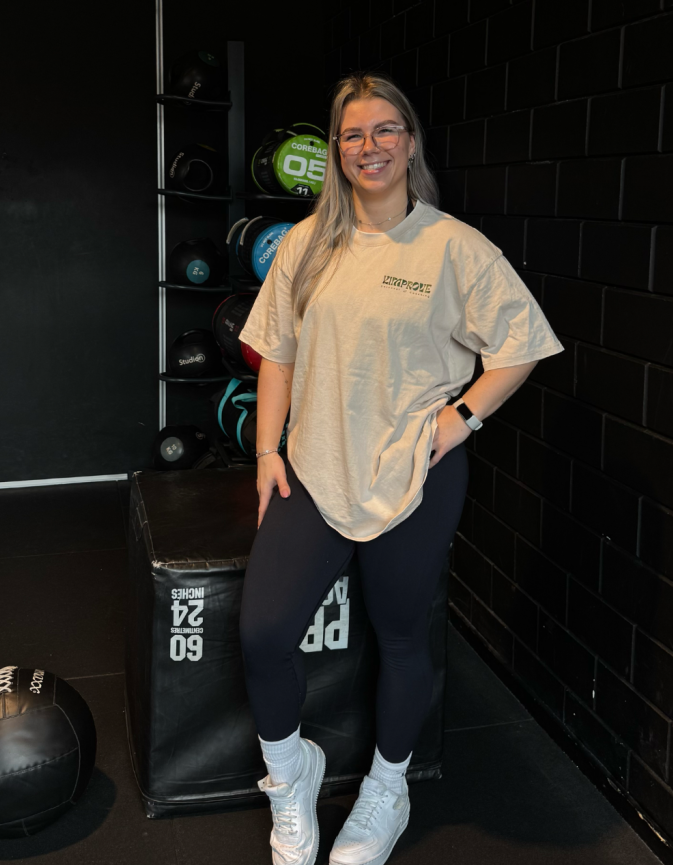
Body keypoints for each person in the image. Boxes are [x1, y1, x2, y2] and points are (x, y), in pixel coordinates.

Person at [237, 71, 563, 865]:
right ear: (336, 150)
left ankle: (388, 787)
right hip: (314, 466)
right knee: (264, 632)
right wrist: (267, 450)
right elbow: (277, 351)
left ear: (410, 142)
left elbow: (520, 344)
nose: (370, 145)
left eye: (386, 129)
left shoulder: (454, 246)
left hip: (415, 470)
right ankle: (291, 774)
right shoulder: (307, 243)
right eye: (353, 134)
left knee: (402, 636)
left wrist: (461, 418)